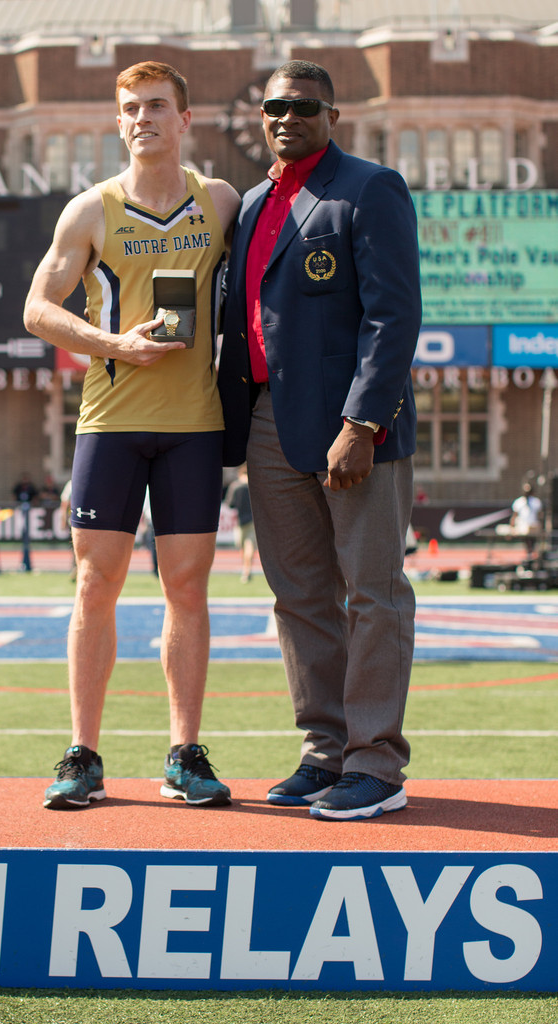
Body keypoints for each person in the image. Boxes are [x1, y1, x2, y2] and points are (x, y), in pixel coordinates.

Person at [23, 60, 241, 810]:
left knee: (188, 586)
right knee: (95, 583)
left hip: (194, 425)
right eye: (130, 109)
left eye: (156, 105)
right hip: (111, 422)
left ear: (185, 119)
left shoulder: (221, 201)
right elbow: (37, 309)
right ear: (118, 123)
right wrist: (113, 343)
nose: (143, 118)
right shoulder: (90, 210)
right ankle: (82, 754)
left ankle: (184, 753)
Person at [218, 60, 422, 821]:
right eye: (275, 106)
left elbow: (393, 317)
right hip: (268, 422)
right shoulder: (250, 203)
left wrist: (362, 424)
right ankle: (325, 750)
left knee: (373, 593)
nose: (287, 117)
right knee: (300, 596)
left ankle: (376, 763)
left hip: (351, 425)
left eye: (304, 106)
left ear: (332, 115)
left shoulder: (370, 188)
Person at [224, 465, 256, 582]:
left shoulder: (235, 486)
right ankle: (247, 569)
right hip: (253, 520)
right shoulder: (254, 486)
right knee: (250, 546)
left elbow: (230, 504)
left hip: (240, 521)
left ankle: (245, 569)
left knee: (242, 547)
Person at [510, 481, 542, 557]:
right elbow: (514, 515)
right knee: (526, 537)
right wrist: (512, 526)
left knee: (532, 538)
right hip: (522, 526)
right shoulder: (519, 502)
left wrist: (541, 526)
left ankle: (531, 552)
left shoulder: (536, 502)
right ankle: (529, 552)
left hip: (533, 525)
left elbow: (539, 515)